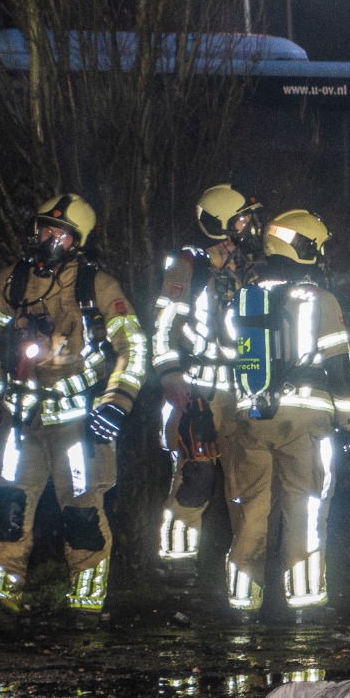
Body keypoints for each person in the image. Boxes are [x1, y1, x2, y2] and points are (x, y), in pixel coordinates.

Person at [0, 194, 147, 630]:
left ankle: (85, 606)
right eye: (44, 228)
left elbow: (135, 347)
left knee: (82, 514)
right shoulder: (12, 282)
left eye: (60, 233)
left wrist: (116, 403)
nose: (48, 237)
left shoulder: (96, 287)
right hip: (19, 420)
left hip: (77, 423)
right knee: (6, 506)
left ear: (77, 242)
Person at [216, 209, 350, 621]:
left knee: (252, 514)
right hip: (306, 422)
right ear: (304, 247)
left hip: (252, 418)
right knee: (306, 509)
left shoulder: (240, 300)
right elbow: (340, 368)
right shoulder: (321, 300)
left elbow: (227, 358)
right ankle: (304, 603)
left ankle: (242, 604)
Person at [147, 184, 266, 578]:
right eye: (243, 219)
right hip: (199, 390)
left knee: (248, 482)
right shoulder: (190, 267)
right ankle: (177, 563)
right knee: (195, 478)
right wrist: (171, 376)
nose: (250, 226)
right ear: (222, 224)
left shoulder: (255, 268)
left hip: (246, 390)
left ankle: (245, 568)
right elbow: (164, 325)